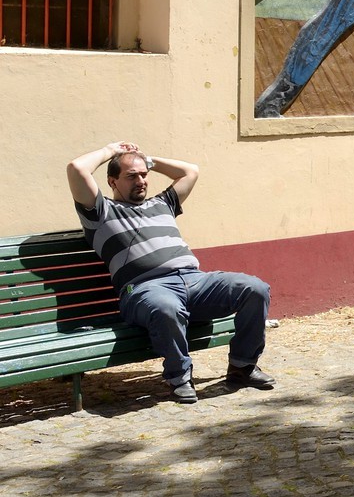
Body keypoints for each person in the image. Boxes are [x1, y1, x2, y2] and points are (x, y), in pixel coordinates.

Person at [67, 141, 274, 404]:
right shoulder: (100, 212)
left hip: (194, 281)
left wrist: (145, 159)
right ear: (112, 181)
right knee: (166, 308)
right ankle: (179, 378)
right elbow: (76, 168)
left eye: (144, 175)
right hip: (145, 289)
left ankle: (242, 367)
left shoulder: (163, 203)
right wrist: (112, 151)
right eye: (131, 176)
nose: (141, 181)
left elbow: (191, 171)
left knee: (255, 288)